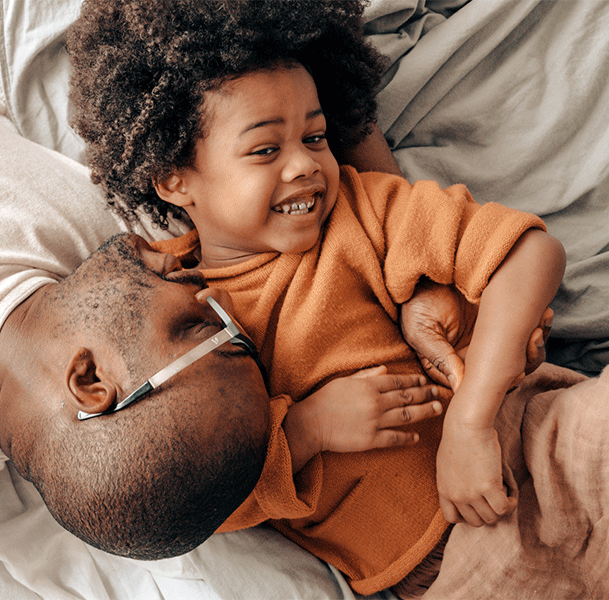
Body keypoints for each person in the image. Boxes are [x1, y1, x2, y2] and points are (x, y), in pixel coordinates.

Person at [0, 33, 484, 565]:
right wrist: (423, 276)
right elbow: (286, 97)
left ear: (90, 379)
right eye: (206, 328)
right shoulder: (135, 263)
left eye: (206, 330)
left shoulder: (124, 266)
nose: (207, 292)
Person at [66, 0, 577, 595]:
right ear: (174, 177)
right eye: (265, 150)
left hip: (540, 448)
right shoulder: (177, 313)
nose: (305, 165)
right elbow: (182, 502)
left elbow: (530, 252)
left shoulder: (360, 211)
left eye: (316, 136)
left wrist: (471, 421)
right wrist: (307, 430)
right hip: (441, 577)